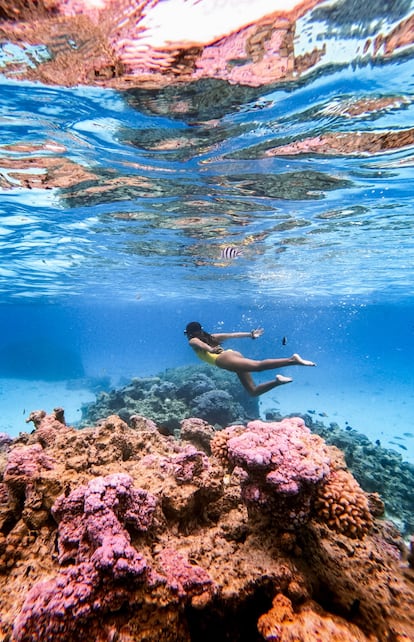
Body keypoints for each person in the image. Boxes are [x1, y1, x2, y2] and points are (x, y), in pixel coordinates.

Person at [184, 321, 316, 397]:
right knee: (253, 391)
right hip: (232, 355)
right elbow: (232, 335)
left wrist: (210, 350)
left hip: (223, 359)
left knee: (258, 366)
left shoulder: (192, 340)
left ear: (189, 333)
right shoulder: (212, 336)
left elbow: (199, 344)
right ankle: (278, 381)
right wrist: (249, 334)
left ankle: (292, 360)